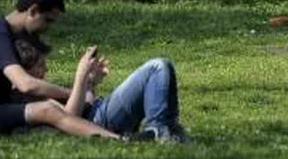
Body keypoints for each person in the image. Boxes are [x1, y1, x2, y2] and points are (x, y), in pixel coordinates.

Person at [0, 0, 119, 138]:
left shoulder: (12, 35)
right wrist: (70, 92)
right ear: (32, 11)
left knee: (52, 106)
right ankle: (116, 139)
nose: (48, 28)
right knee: (47, 109)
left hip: (5, 105)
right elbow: (25, 84)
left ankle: (110, 131)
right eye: (47, 20)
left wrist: (86, 84)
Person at [13, 36, 190, 143]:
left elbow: (85, 103)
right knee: (157, 67)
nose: (46, 70)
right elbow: (69, 119)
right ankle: (161, 131)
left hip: (99, 110)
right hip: (99, 120)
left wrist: (89, 82)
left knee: (158, 69)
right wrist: (80, 75)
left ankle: (167, 129)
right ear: (24, 70)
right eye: (40, 65)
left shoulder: (40, 88)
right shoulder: (29, 98)